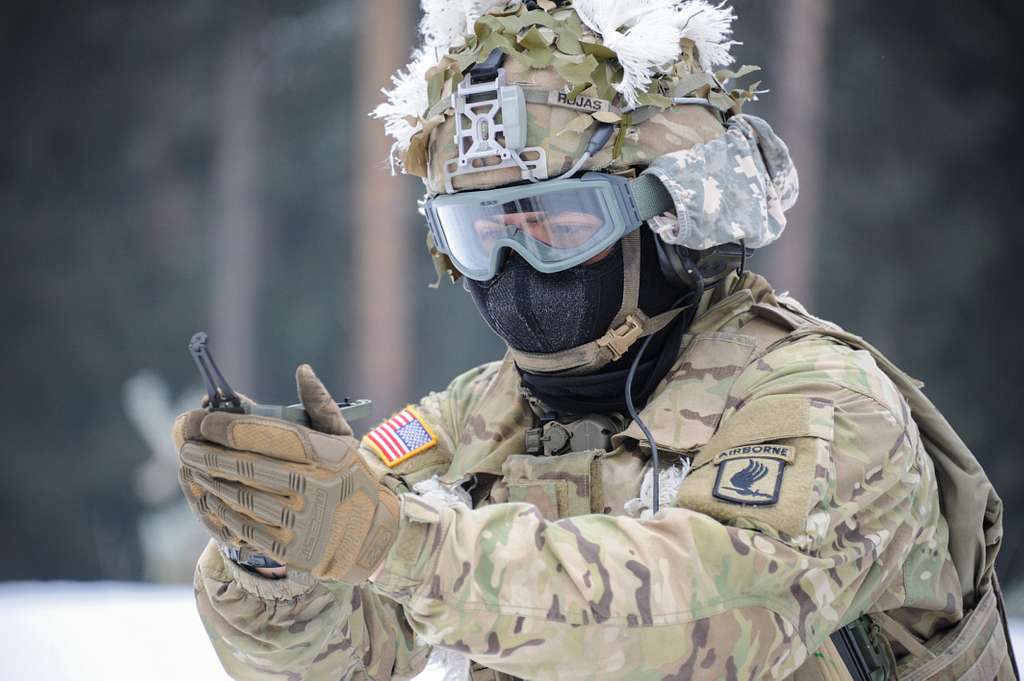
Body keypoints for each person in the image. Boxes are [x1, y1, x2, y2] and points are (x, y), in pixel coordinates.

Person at [173, 2, 1017, 679]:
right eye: (479, 235)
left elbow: (704, 628)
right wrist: (277, 554)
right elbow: (346, 660)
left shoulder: (823, 402)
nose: (513, 267)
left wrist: (392, 539)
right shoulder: (483, 416)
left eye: (556, 223)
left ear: (680, 219)